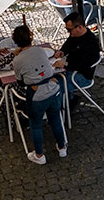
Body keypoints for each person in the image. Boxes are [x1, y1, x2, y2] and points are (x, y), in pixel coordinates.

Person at [7, 23, 67, 164]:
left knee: (35, 124)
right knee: (55, 119)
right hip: (53, 90)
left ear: (15, 41)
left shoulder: (17, 60)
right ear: (31, 37)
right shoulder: (40, 50)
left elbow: (20, 81)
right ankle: (62, 147)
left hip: (36, 95)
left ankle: (39, 155)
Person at [60, 14, 100, 97]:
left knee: (55, 85)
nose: (68, 32)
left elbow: (83, 65)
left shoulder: (91, 43)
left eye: (69, 30)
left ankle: (64, 102)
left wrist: (65, 64)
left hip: (82, 76)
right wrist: (62, 51)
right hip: (72, 69)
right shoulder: (75, 35)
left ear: (79, 27)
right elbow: (68, 43)